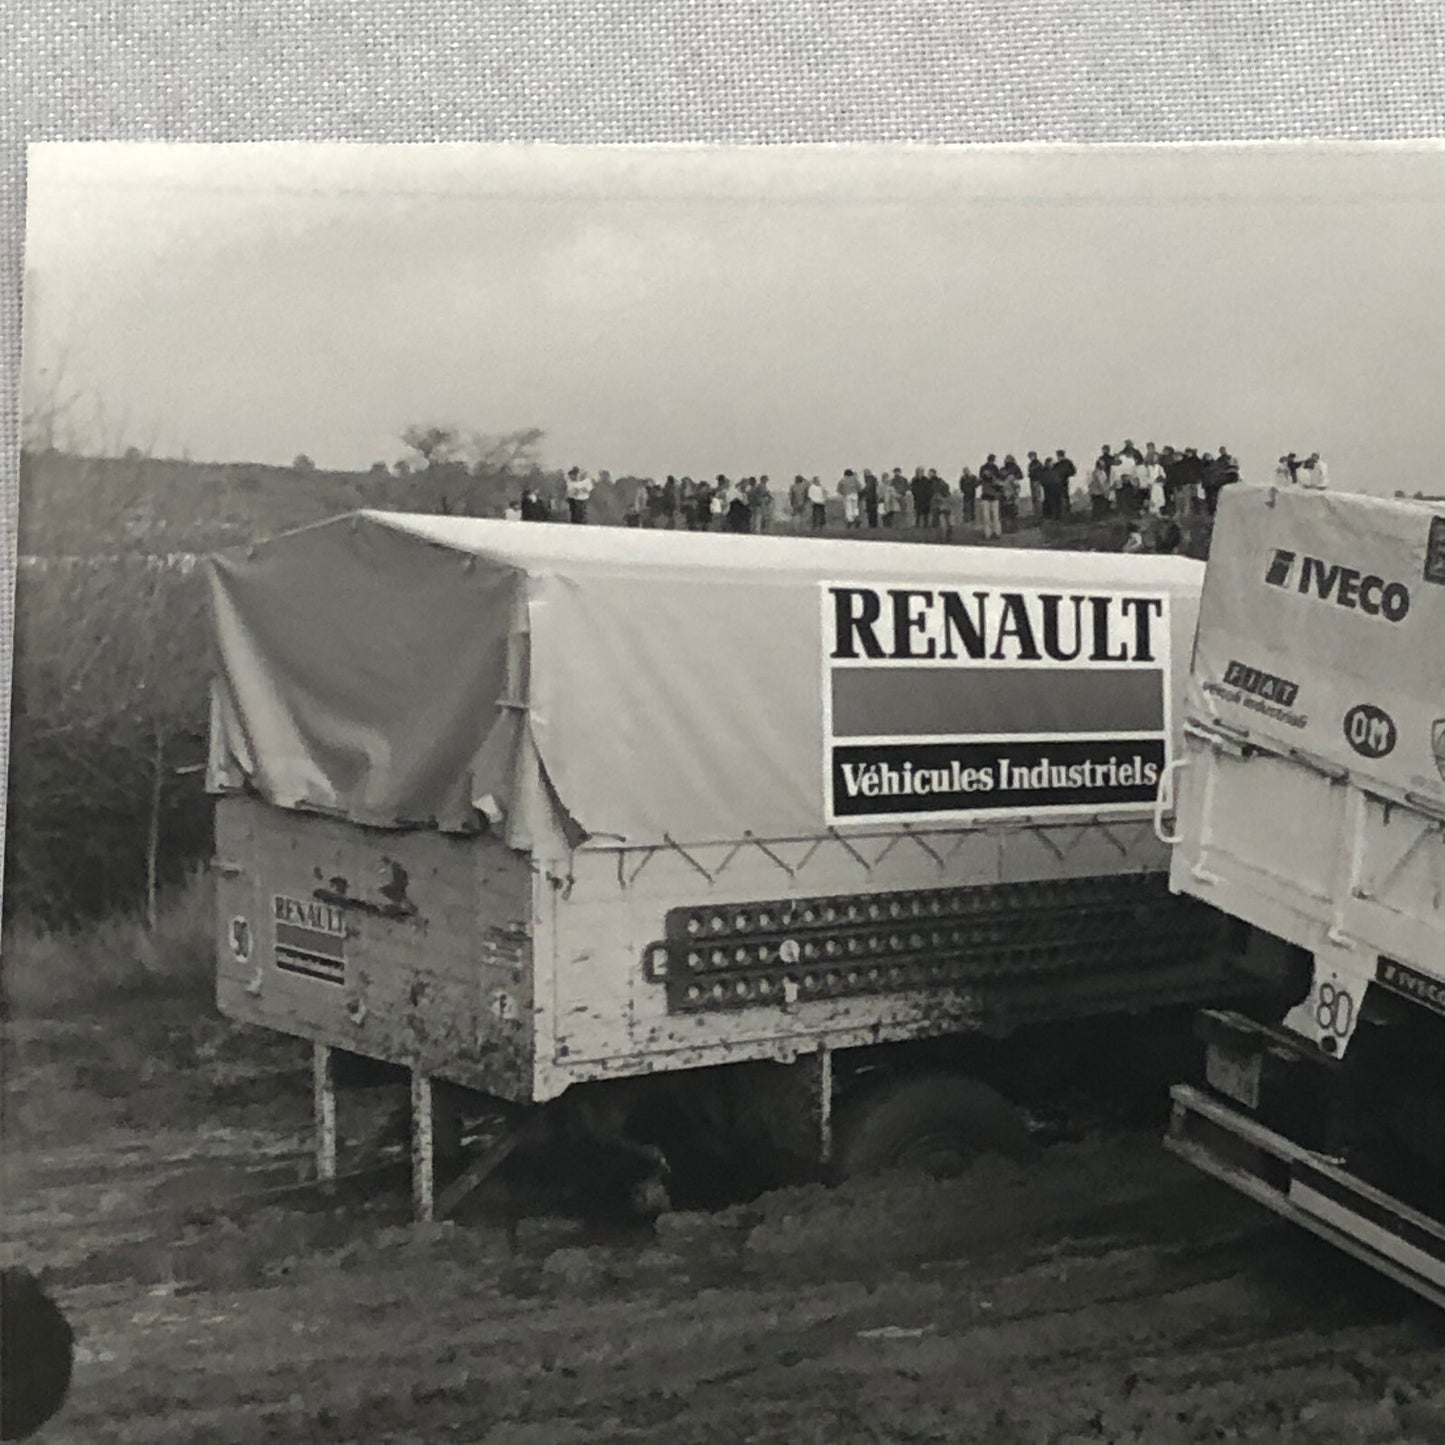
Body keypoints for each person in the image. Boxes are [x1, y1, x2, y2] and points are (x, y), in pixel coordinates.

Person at [931, 472, 955, 540]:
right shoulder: (944, 494)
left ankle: (942, 536)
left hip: (941, 510)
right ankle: (945, 535)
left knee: (943, 523)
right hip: (942, 510)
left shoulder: (937, 494)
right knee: (946, 523)